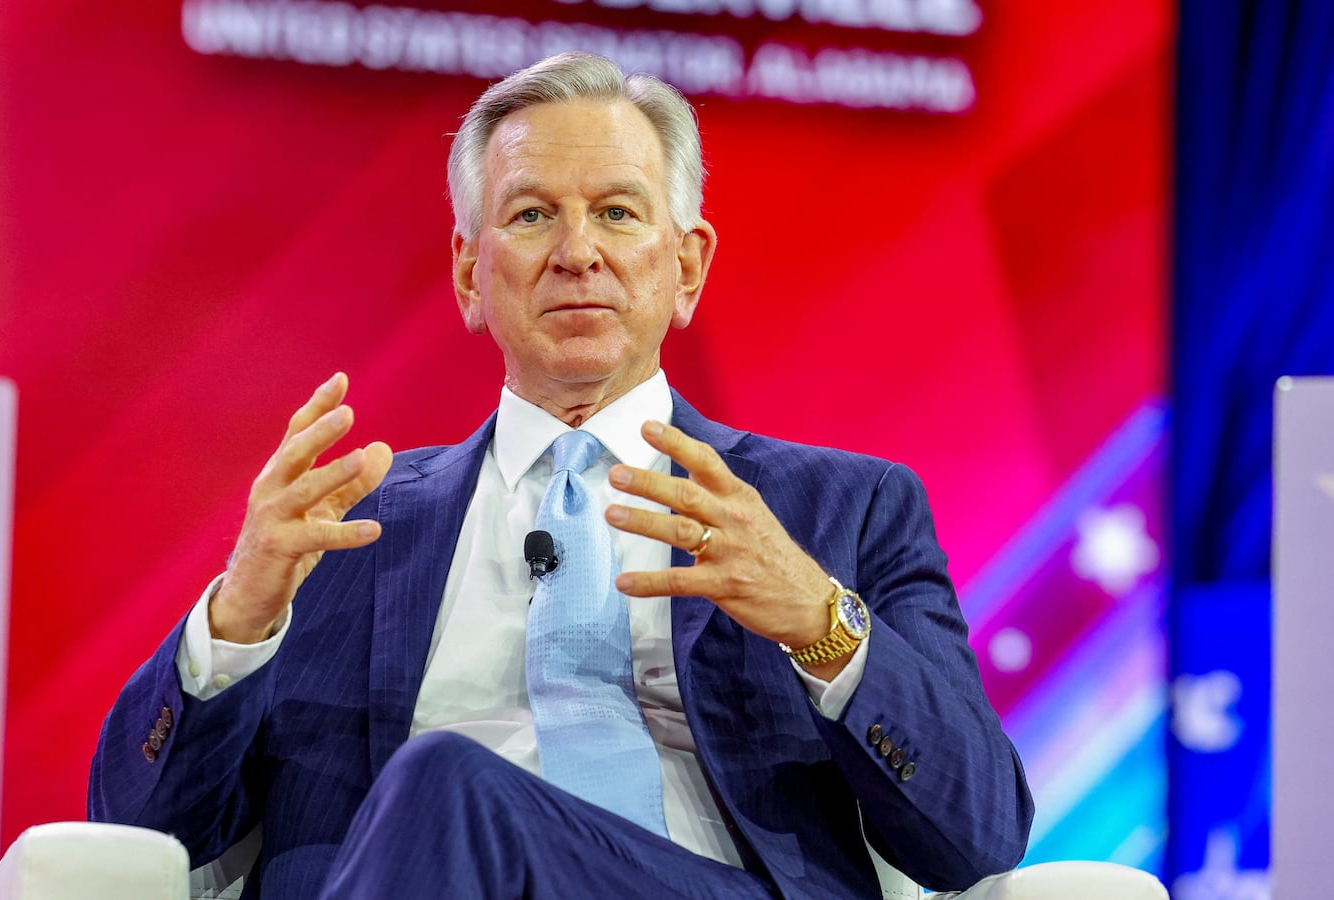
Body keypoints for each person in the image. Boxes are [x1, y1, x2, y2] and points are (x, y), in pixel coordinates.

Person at [90, 52, 1032, 899]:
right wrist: (234, 624)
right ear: (470, 274)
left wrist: (821, 623)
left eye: (617, 213)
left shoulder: (841, 511)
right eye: (533, 214)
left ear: (687, 266)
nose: (577, 251)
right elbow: (137, 837)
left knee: (445, 779)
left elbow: (978, 838)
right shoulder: (346, 528)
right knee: (444, 788)